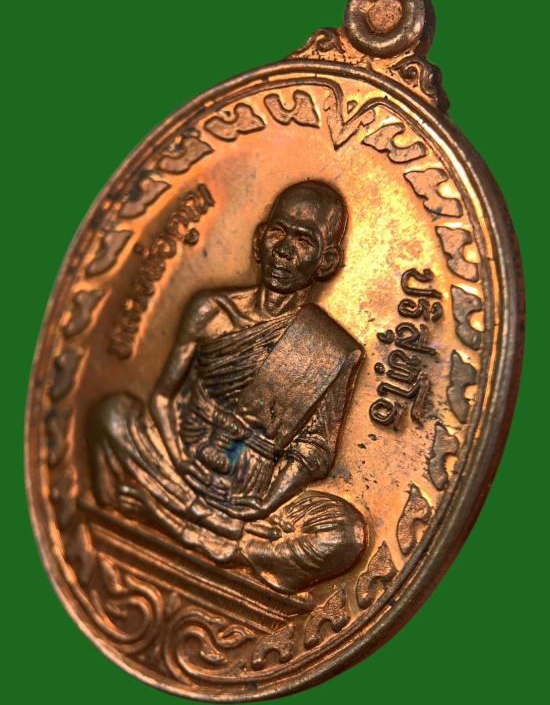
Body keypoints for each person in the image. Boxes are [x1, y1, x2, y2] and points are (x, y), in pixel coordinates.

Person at [89, 180, 368, 593]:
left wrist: (265, 502)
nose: (284, 250)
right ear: (259, 238)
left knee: (345, 534)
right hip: (180, 459)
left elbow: (315, 452)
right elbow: (163, 395)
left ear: (326, 261)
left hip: (253, 495)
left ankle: (169, 515)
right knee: (112, 413)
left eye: (303, 240)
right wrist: (178, 457)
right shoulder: (211, 309)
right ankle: (224, 539)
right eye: (278, 231)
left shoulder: (333, 349)